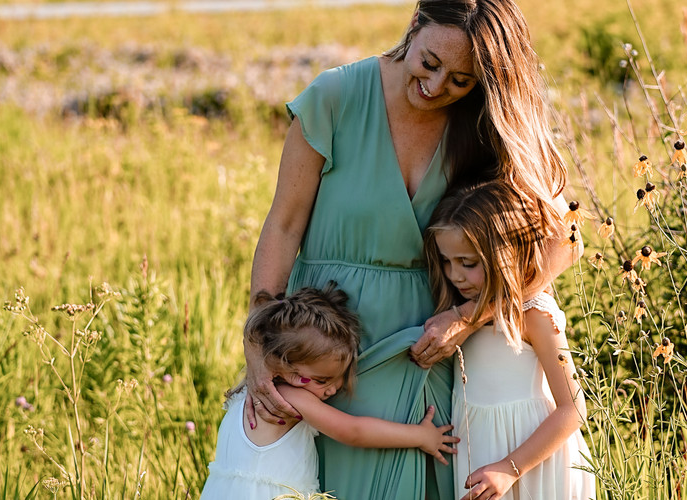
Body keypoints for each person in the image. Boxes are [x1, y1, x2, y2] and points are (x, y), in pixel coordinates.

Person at [245, 0, 578, 497]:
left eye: (461, 80)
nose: (438, 86)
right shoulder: (334, 97)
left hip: (434, 354)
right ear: (417, 22)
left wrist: (470, 315)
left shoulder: (483, 122)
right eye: (431, 63)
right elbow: (283, 226)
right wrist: (258, 347)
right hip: (326, 352)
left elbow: (565, 242)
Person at [200, 284, 459, 499]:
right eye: (322, 380)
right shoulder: (290, 397)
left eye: (338, 378)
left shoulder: (247, 390)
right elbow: (354, 431)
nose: (334, 388)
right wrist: (421, 436)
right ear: (284, 367)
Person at [423, 181, 595, 500]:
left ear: (501, 255)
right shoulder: (455, 317)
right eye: (447, 262)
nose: (455, 275)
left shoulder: (533, 314)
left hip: (534, 465)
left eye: (468, 263)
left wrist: (508, 468)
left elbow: (573, 409)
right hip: (481, 458)